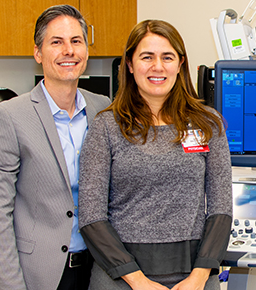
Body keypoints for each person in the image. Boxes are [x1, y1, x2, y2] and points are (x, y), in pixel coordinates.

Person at [78, 19, 232, 290]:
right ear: (129, 64)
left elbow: (221, 209)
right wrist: (137, 280)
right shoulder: (107, 126)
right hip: (121, 275)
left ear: (180, 64)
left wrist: (198, 277)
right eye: (146, 57)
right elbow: (92, 216)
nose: (157, 67)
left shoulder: (208, 123)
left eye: (167, 57)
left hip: (193, 274)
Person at [0, 5, 110, 290]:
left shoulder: (103, 108)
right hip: (35, 273)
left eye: (76, 41)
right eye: (56, 42)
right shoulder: (8, 117)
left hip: (96, 269)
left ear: (87, 50)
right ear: (38, 53)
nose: (69, 51)